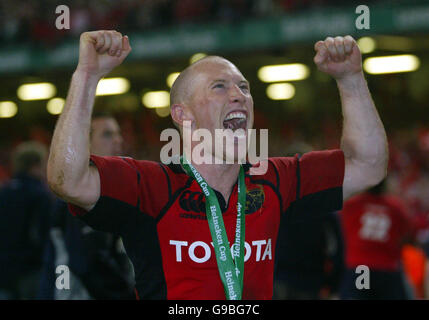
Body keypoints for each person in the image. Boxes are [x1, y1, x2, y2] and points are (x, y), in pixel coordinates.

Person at [47, 30, 388, 299]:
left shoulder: (273, 180)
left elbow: (368, 165)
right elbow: (67, 179)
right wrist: (87, 76)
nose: (239, 95)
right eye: (220, 87)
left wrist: (350, 79)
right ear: (182, 114)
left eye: (243, 87)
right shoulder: (153, 186)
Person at [38, 112, 135, 300]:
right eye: (107, 134)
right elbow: (86, 263)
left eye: (118, 133)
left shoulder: (107, 188)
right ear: (85, 144)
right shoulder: (78, 194)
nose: (118, 140)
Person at [339, 180, 415, 300]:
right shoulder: (396, 207)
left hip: (361, 268)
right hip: (387, 270)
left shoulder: (351, 205)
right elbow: (409, 236)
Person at [0, 142, 53, 299]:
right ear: (35, 164)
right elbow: (44, 236)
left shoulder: (4, 191)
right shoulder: (40, 195)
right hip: (31, 271)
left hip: (4, 270)